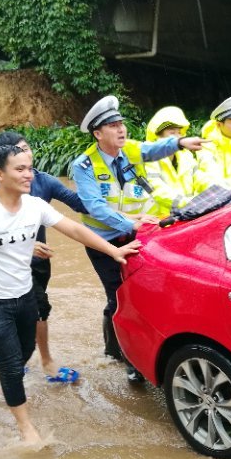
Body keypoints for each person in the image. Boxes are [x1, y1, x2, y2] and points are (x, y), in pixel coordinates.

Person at [0, 144, 140, 443]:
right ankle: (25, 426)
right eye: (19, 169)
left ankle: (11, 385)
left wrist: (114, 249)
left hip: (25, 294)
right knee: (9, 363)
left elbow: (73, 229)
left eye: (29, 168)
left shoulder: (34, 205)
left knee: (24, 354)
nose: (28, 174)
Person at [72, 95, 206, 382]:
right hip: (104, 242)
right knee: (119, 296)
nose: (121, 129)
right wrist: (130, 223)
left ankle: (138, 351)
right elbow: (95, 207)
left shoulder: (131, 150)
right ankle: (120, 353)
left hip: (139, 234)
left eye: (121, 123)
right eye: (112, 125)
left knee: (143, 293)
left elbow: (154, 148)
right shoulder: (83, 166)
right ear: (97, 133)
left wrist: (180, 143)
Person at [0, 131, 87, 377]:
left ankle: (20, 357)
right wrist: (25, 246)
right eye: (19, 151)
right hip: (7, 265)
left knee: (31, 311)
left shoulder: (43, 181)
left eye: (27, 148)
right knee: (38, 308)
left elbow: (78, 204)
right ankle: (45, 362)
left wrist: (112, 207)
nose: (27, 155)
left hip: (39, 262)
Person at [141, 106, 203, 217]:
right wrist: (188, 203)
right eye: (172, 133)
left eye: (179, 132)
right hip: (164, 220)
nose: (177, 136)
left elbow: (201, 177)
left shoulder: (186, 156)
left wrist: (208, 196)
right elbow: (157, 190)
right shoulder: (150, 161)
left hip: (191, 214)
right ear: (158, 136)